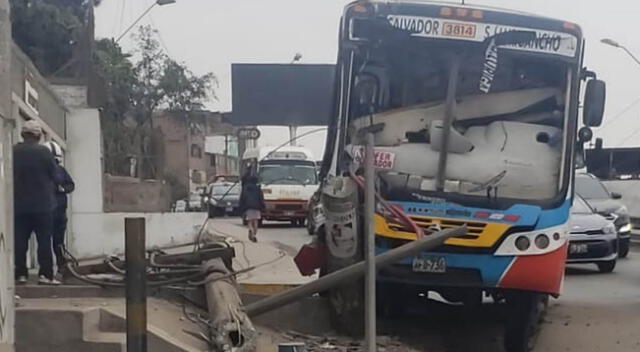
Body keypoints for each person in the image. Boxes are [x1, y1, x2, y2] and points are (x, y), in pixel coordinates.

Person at [13, 120, 60, 285]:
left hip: (18, 206)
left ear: (22, 134)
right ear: (39, 136)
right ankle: (45, 275)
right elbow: (57, 176)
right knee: (44, 241)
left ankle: (20, 274)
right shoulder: (44, 153)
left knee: (19, 241)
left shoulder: (13, 151)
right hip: (43, 206)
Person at [46, 141, 75, 276]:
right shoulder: (44, 172)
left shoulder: (61, 171)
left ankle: (61, 267)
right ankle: (47, 270)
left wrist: (63, 189)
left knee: (58, 243)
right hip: (47, 212)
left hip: (59, 212)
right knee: (46, 242)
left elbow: (70, 185)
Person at [238, 175, 265, 242]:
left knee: (249, 221)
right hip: (257, 207)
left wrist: (241, 207)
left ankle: (251, 230)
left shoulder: (246, 188)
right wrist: (263, 206)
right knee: (256, 221)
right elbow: (261, 198)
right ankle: (254, 234)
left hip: (248, 207)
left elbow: (243, 198)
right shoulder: (258, 189)